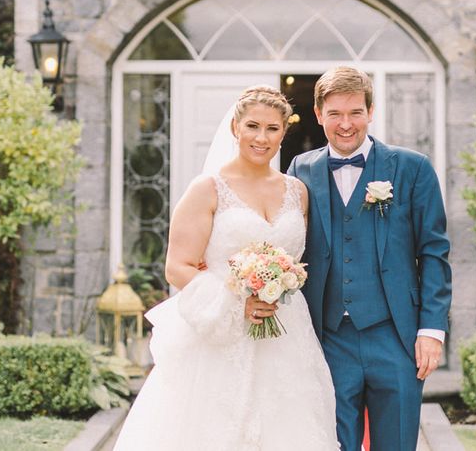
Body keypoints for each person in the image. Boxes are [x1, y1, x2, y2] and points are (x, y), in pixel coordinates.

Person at [113, 85, 339, 451]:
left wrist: (280, 283)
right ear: (235, 127)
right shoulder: (208, 189)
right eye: (252, 126)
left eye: (272, 129)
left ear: (284, 133)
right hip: (221, 331)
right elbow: (178, 266)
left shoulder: (298, 191)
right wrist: (238, 302)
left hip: (288, 332)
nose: (261, 138)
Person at [288, 67, 452, 451]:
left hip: (396, 337)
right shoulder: (300, 169)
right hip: (327, 339)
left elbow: (433, 251)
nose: (346, 124)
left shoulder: (412, 168)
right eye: (335, 114)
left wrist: (431, 330)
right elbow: (287, 247)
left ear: (371, 111)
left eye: (355, 113)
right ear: (318, 114)